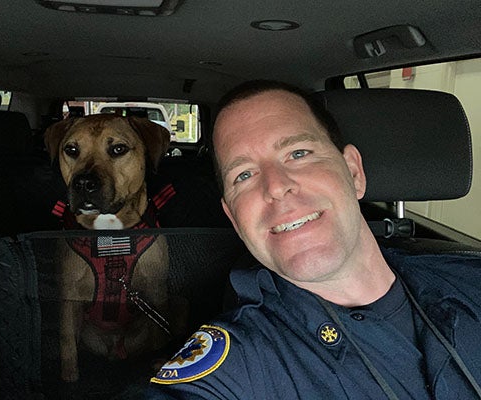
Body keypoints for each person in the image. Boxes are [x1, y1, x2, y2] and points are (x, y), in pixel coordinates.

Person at [144, 80, 481, 399]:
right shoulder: (242, 361)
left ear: (353, 172)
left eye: (298, 153)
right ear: (233, 217)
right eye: (244, 175)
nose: (275, 186)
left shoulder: (469, 277)